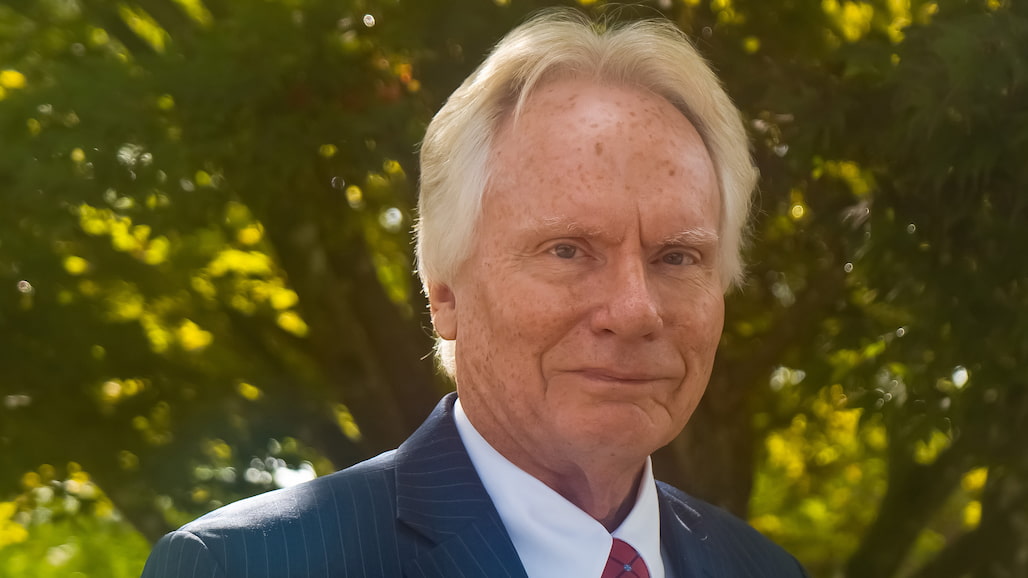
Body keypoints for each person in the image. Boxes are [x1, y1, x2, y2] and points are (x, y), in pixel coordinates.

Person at [142, 9, 808, 578]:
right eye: (568, 250)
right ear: (444, 293)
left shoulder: (765, 570)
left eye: (677, 256)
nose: (635, 310)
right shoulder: (249, 565)